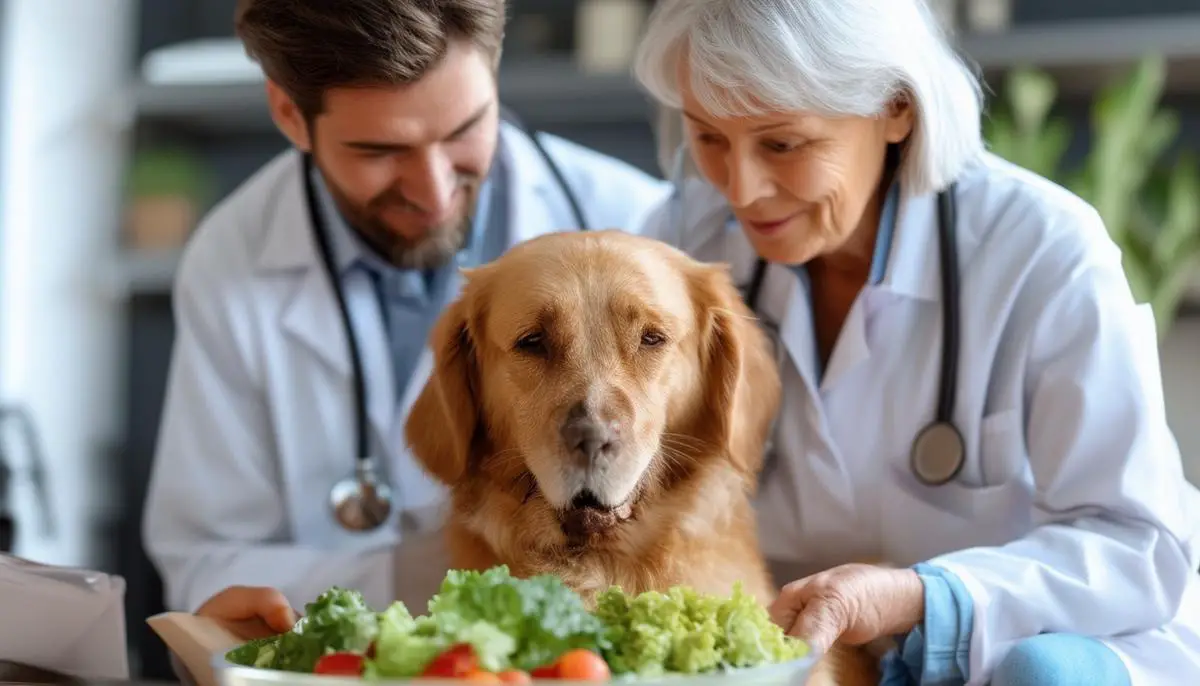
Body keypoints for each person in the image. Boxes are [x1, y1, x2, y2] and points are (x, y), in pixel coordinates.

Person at [189, 1, 1200, 684]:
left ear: (894, 109)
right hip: (796, 648)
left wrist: (919, 595)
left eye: (785, 144)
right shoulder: (699, 234)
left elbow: (1141, 545)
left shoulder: (1044, 251)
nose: (741, 186)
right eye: (710, 136)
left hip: (1024, 642)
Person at [141, 0, 671, 618]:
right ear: (289, 113)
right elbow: (205, 567)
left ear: (494, 67)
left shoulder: (636, 224)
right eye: (380, 151)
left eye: (462, 131)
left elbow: (700, 527)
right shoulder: (233, 254)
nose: (434, 189)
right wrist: (435, 569)